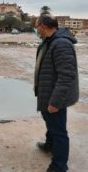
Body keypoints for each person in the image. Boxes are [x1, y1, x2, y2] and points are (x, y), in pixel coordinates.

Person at [34, 14, 79, 172]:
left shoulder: (61, 44)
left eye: (36, 26)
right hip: (48, 93)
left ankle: (59, 166)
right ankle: (49, 145)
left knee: (59, 131)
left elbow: (66, 76)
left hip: (55, 96)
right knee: (51, 124)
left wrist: (55, 102)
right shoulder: (48, 41)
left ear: (43, 26)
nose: (36, 29)